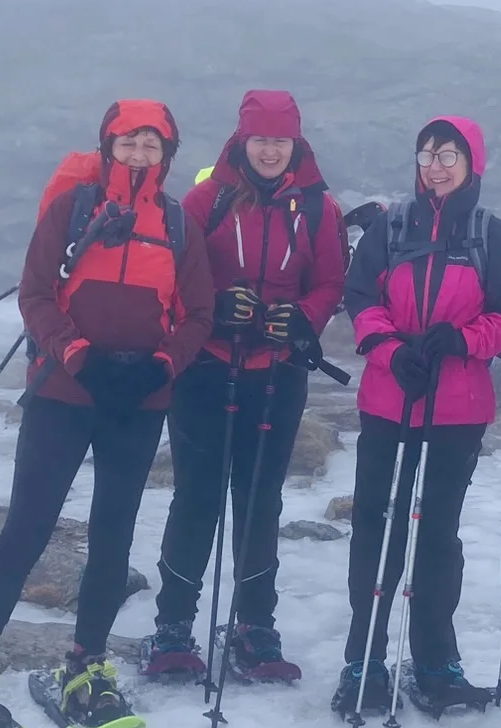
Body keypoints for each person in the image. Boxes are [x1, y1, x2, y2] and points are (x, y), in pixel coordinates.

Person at [0, 100, 214, 728]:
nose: (141, 154)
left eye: (153, 145)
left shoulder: (177, 223)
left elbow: (198, 312)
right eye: (129, 143)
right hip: (63, 393)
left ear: (167, 155)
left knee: (113, 539)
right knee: (26, 533)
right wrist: (80, 355)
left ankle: (85, 667)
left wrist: (162, 368)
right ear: (108, 147)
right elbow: (34, 294)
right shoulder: (73, 210)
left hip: (138, 403)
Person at [142, 89, 347, 685]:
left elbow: (331, 280)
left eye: (280, 140)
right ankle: (174, 626)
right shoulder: (207, 200)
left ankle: (256, 626)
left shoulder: (316, 208)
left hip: (278, 374)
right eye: (260, 139)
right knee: (196, 498)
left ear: (295, 144)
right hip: (205, 369)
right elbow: (180, 276)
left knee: (260, 504)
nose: (270, 150)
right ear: (242, 140)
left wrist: (303, 318)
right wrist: (215, 306)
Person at [333, 116, 501, 720]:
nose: (437, 164)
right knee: (375, 524)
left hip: (457, 407)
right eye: (427, 154)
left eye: (449, 154)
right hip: (388, 399)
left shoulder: (492, 236)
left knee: (437, 532)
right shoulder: (389, 228)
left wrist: (463, 340)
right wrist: (393, 351)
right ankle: (362, 660)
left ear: (473, 161)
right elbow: (360, 299)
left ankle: (436, 662)